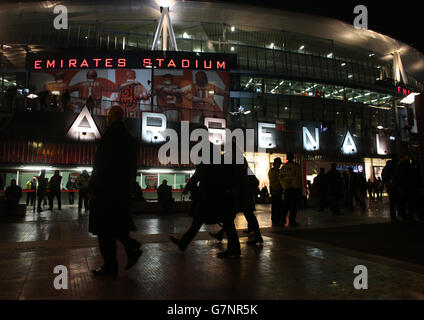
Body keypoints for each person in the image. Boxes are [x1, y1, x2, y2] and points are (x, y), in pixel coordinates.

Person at [89, 106, 142, 279]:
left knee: (105, 231)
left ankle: (111, 266)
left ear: (111, 118)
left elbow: (100, 165)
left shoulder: (108, 137)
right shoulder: (130, 139)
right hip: (122, 191)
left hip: (106, 191)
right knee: (117, 226)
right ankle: (131, 248)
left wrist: (93, 187)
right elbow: (132, 167)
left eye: (108, 117)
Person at [170, 139, 240, 258]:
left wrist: (188, 187)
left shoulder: (206, 162)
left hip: (210, 197)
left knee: (199, 221)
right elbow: (230, 178)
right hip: (222, 196)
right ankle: (234, 249)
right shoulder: (221, 161)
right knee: (227, 224)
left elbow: (197, 175)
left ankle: (184, 243)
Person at [209, 142, 263, 245]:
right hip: (243, 191)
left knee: (239, 215)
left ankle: (257, 236)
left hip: (241, 191)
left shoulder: (234, 160)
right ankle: (257, 236)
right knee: (239, 215)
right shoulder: (239, 158)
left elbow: (234, 175)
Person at [280, 152, 302, 227]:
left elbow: (281, 178)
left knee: (285, 206)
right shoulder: (296, 166)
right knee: (293, 206)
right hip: (294, 189)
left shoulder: (283, 167)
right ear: (293, 158)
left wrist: (285, 186)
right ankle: (291, 220)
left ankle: (282, 220)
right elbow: (298, 176)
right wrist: (293, 185)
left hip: (286, 189)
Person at [382, 154, 399, 223]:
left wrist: (386, 183)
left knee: (392, 202)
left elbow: (384, 176)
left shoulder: (386, 167)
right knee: (397, 201)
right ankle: (397, 215)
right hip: (394, 186)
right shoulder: (394, 166)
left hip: (390, 186)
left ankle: (393, 216)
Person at [268, 157, 283, 225]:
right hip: (275, 190)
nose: (279, 165)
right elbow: (276, 181)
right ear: (275, 164)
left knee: (278, 205)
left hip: (277, 190)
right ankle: (275, 218)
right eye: (279, 164)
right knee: (275, 205)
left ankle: (277, 217)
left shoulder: (277, 171)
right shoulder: (272, 171)